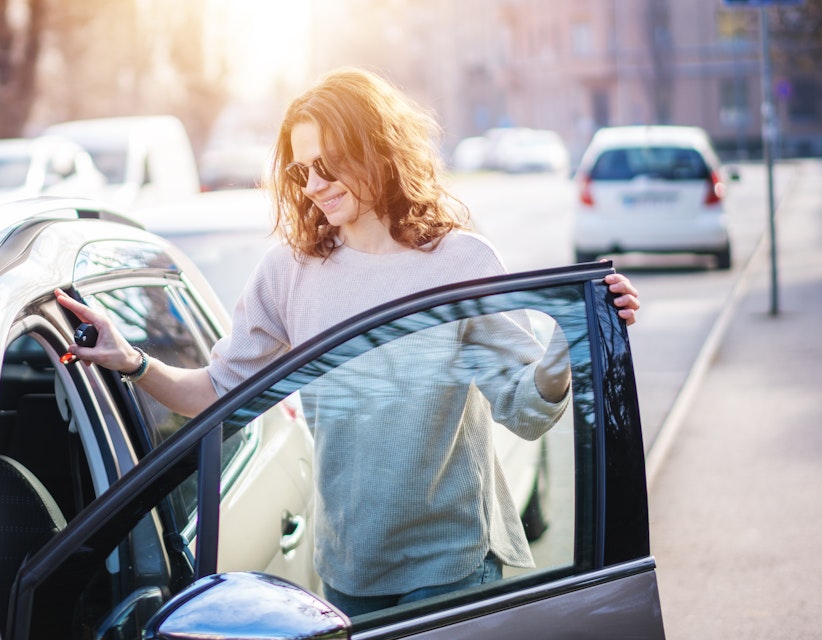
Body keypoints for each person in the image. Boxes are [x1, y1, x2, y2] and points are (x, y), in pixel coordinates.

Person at [54, 67, 641, 616]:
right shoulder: (289, 273)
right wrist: (130, 360)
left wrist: (574, 339)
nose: (313, 185)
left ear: (378, 151)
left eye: (328, 165)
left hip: (456, 569)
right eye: (300, 171)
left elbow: (525, 409)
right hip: (346, 577)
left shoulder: (460, 262)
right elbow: (213, 394)